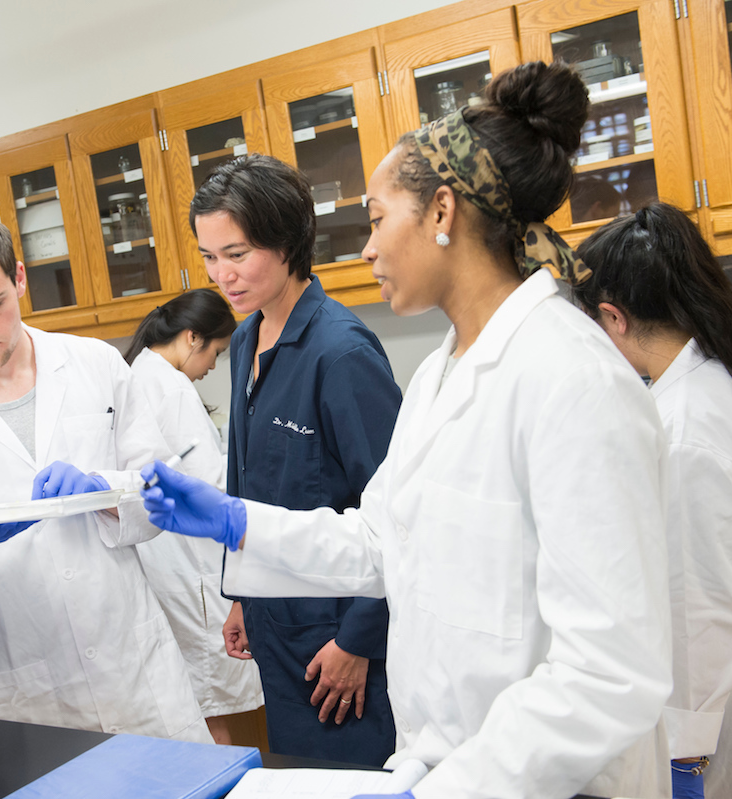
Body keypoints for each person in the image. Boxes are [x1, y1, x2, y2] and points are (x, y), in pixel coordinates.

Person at [141, 62, 674, 799]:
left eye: (377, 217)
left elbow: (612, 670)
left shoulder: (572, 379)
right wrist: (239, 524)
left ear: (443, 212)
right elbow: (381, 542)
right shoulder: (442, 377)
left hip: (546, 780)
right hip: (441, 757)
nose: (366, 247)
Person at [0, 208, 210, 742]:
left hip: (133, 671)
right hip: (22, 688)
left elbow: (162, 491)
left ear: (20, 278)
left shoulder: (95, 364)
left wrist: (107, 491)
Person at [573, 202, 732, 799]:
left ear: (613, 320)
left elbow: (695, 615)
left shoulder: (685, 434)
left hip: (712, 754)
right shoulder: (711, 384)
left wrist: (680, 763)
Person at [189, 153, 402, 766]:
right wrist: (241, 595)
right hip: (274, 625)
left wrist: (359, 641)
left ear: (286, 241)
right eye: (209, 256)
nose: (221, 275)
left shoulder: (341, 353)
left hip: (340, 641)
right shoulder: (245, 339)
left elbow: (396, 513)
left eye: (236, 253)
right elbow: (248, 484)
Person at [124, 288, 263, 744]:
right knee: (211, 699)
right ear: (191, 338)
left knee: (199, 698)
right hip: (193, 569)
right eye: (216, 352)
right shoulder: (171, 386)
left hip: (167, 564)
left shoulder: (139, 374)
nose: (212, 367)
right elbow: (213, 486)